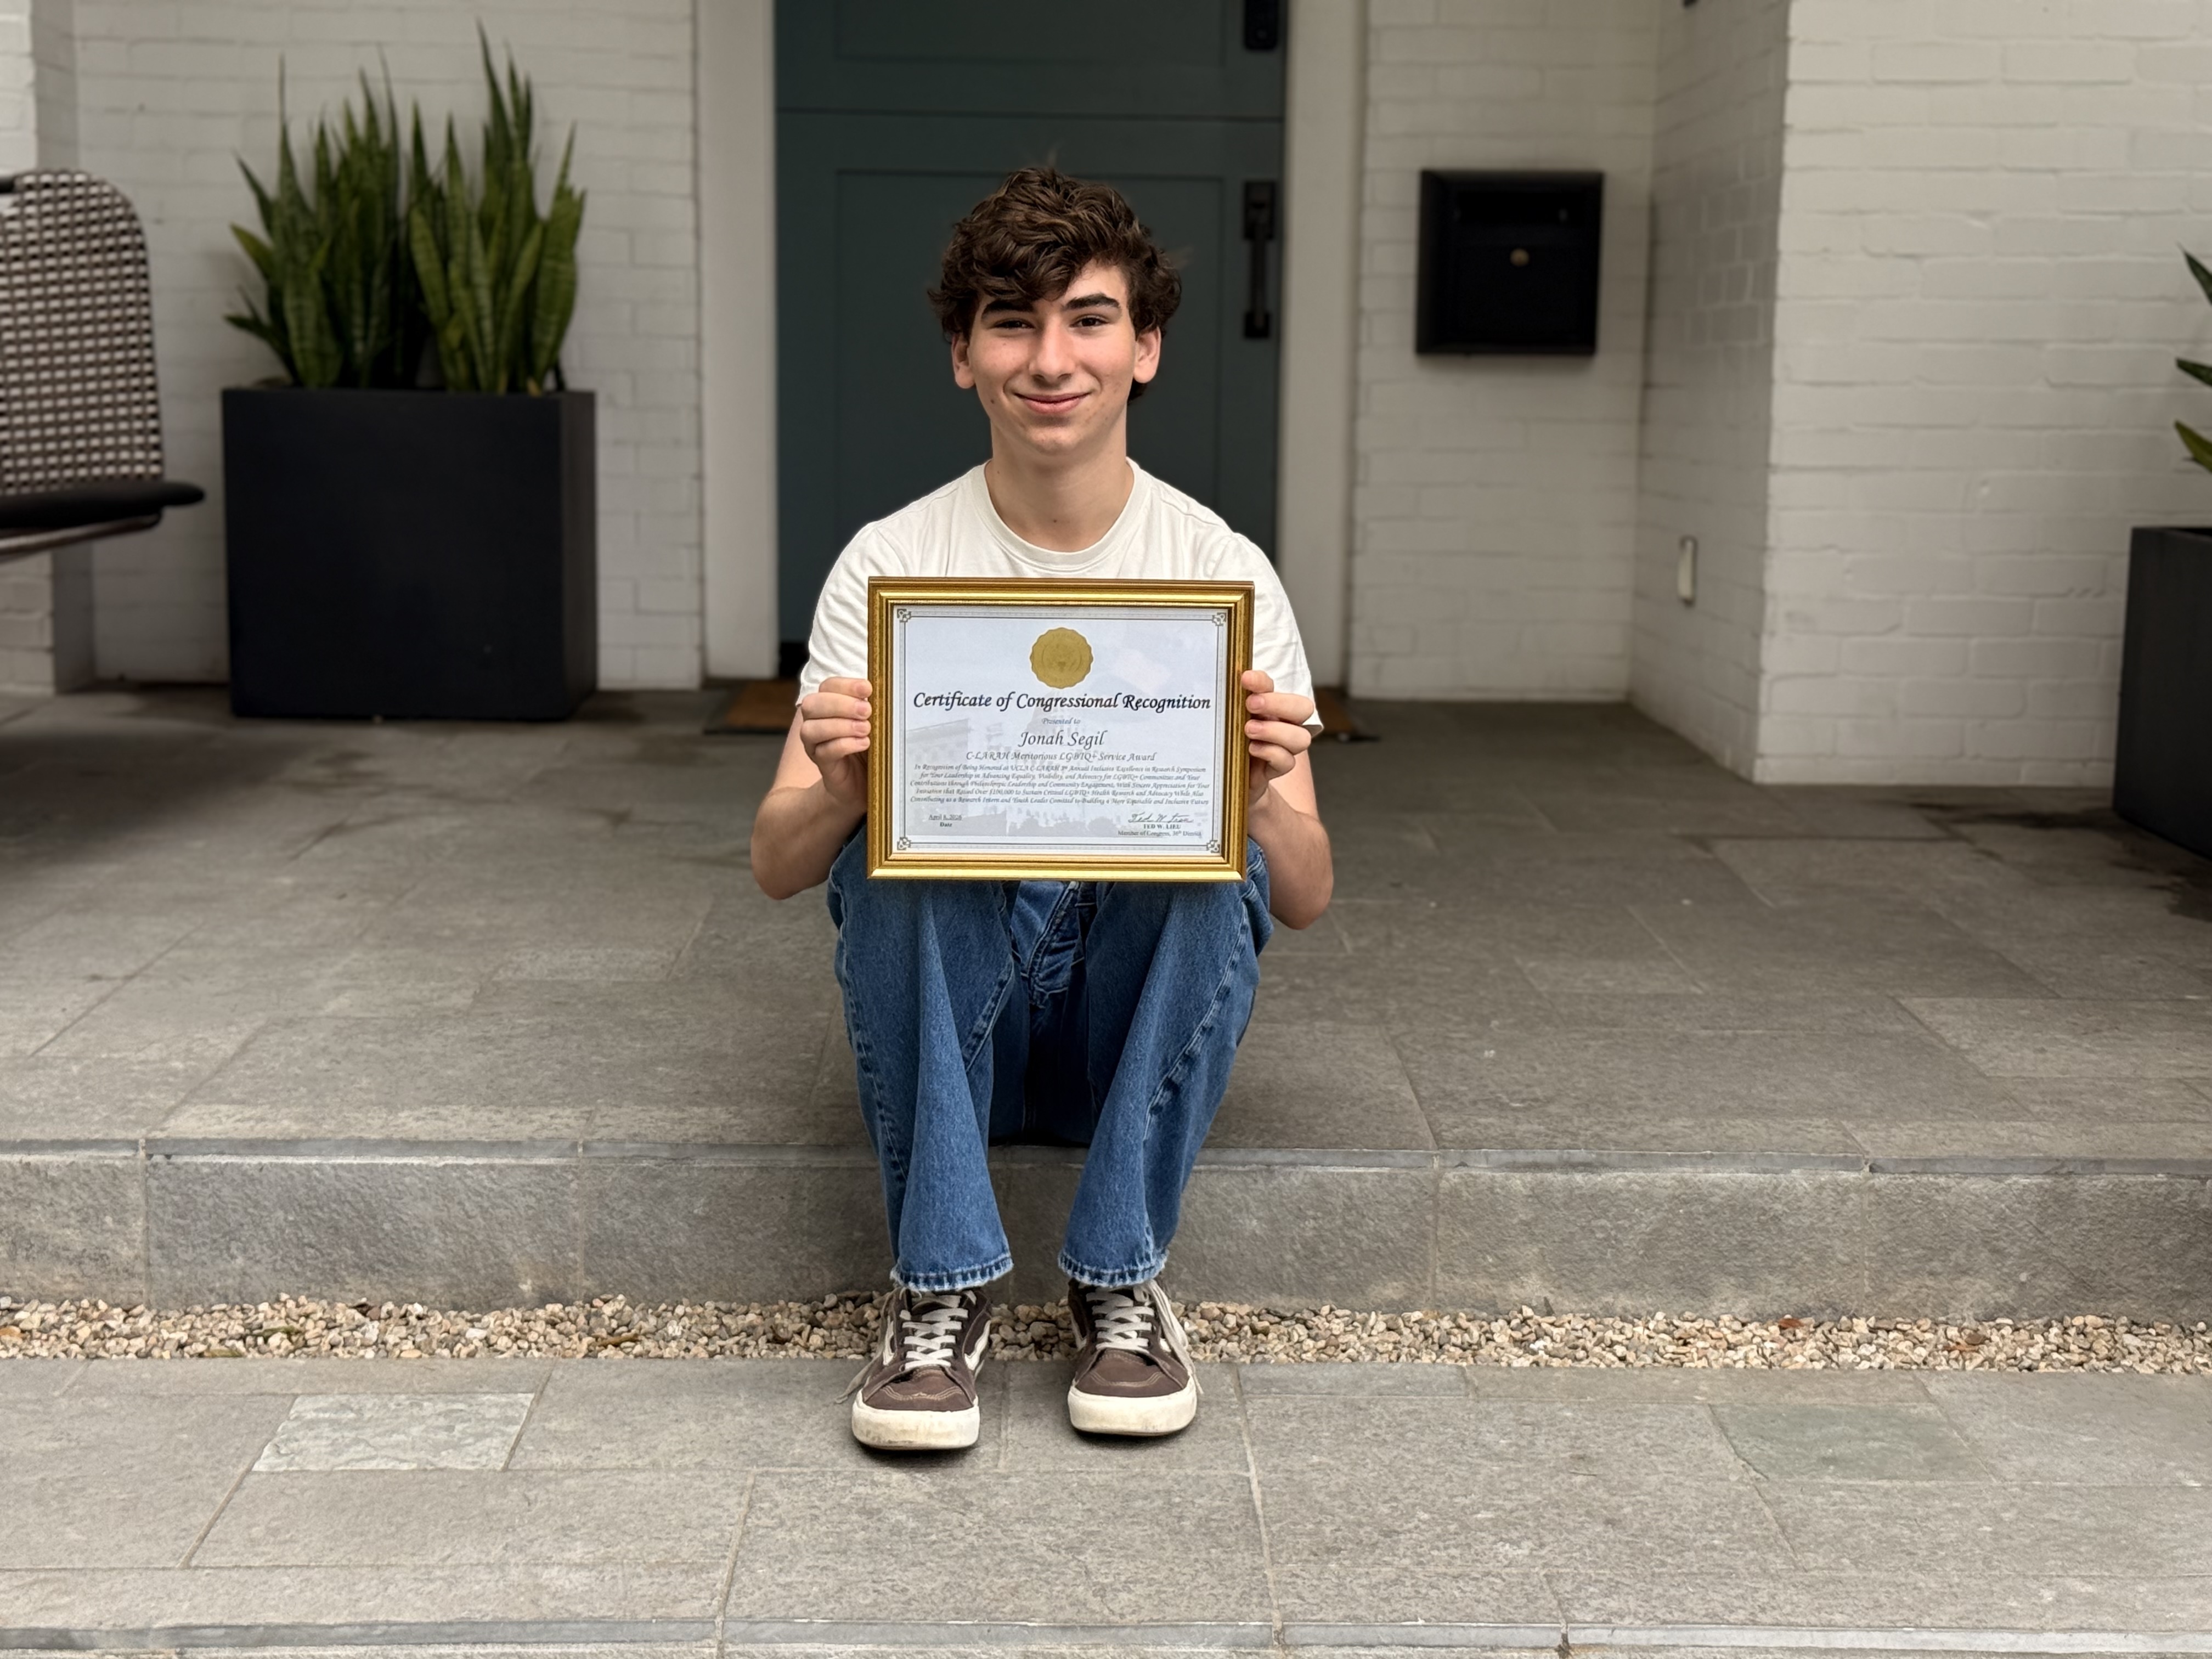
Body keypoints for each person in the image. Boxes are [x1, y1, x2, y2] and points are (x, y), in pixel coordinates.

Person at [751, 168, 1332, 1451]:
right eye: (1011, 323)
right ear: (964, 356)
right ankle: (940, 1286)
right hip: (966, 1025)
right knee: (884, 849)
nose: (1051, 359)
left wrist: (1257, 798)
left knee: (1220, 864)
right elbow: (778, 862)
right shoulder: (893, 564)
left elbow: (1304, 891)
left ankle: (1119, 1279)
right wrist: (841, 792)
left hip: (1125, 1024)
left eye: (1089, 319)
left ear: (1146, 347)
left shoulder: (1218, 571)